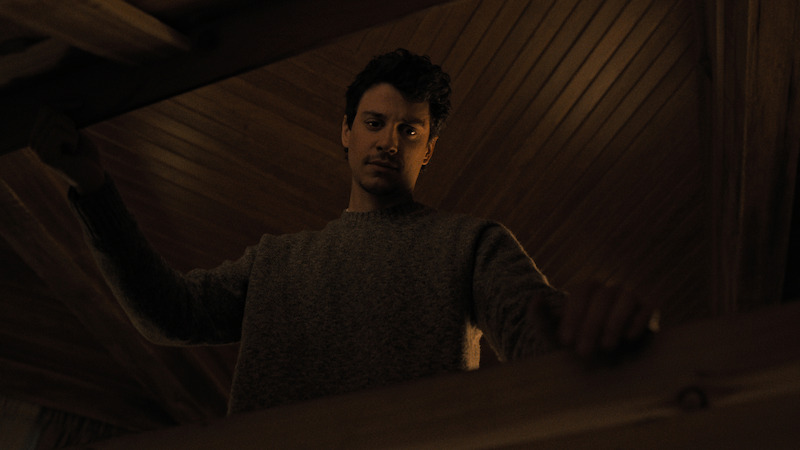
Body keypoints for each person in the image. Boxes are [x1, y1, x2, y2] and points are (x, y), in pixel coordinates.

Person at [30, 49, 656, 414]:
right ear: (346, 131)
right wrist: (93, 186)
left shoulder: (471, 243)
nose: (389, 140)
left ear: (429, 149)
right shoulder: (276, 262)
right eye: (375, 123)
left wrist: (590, 333)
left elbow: (534, 328)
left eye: (409, 130)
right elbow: (166, 313)